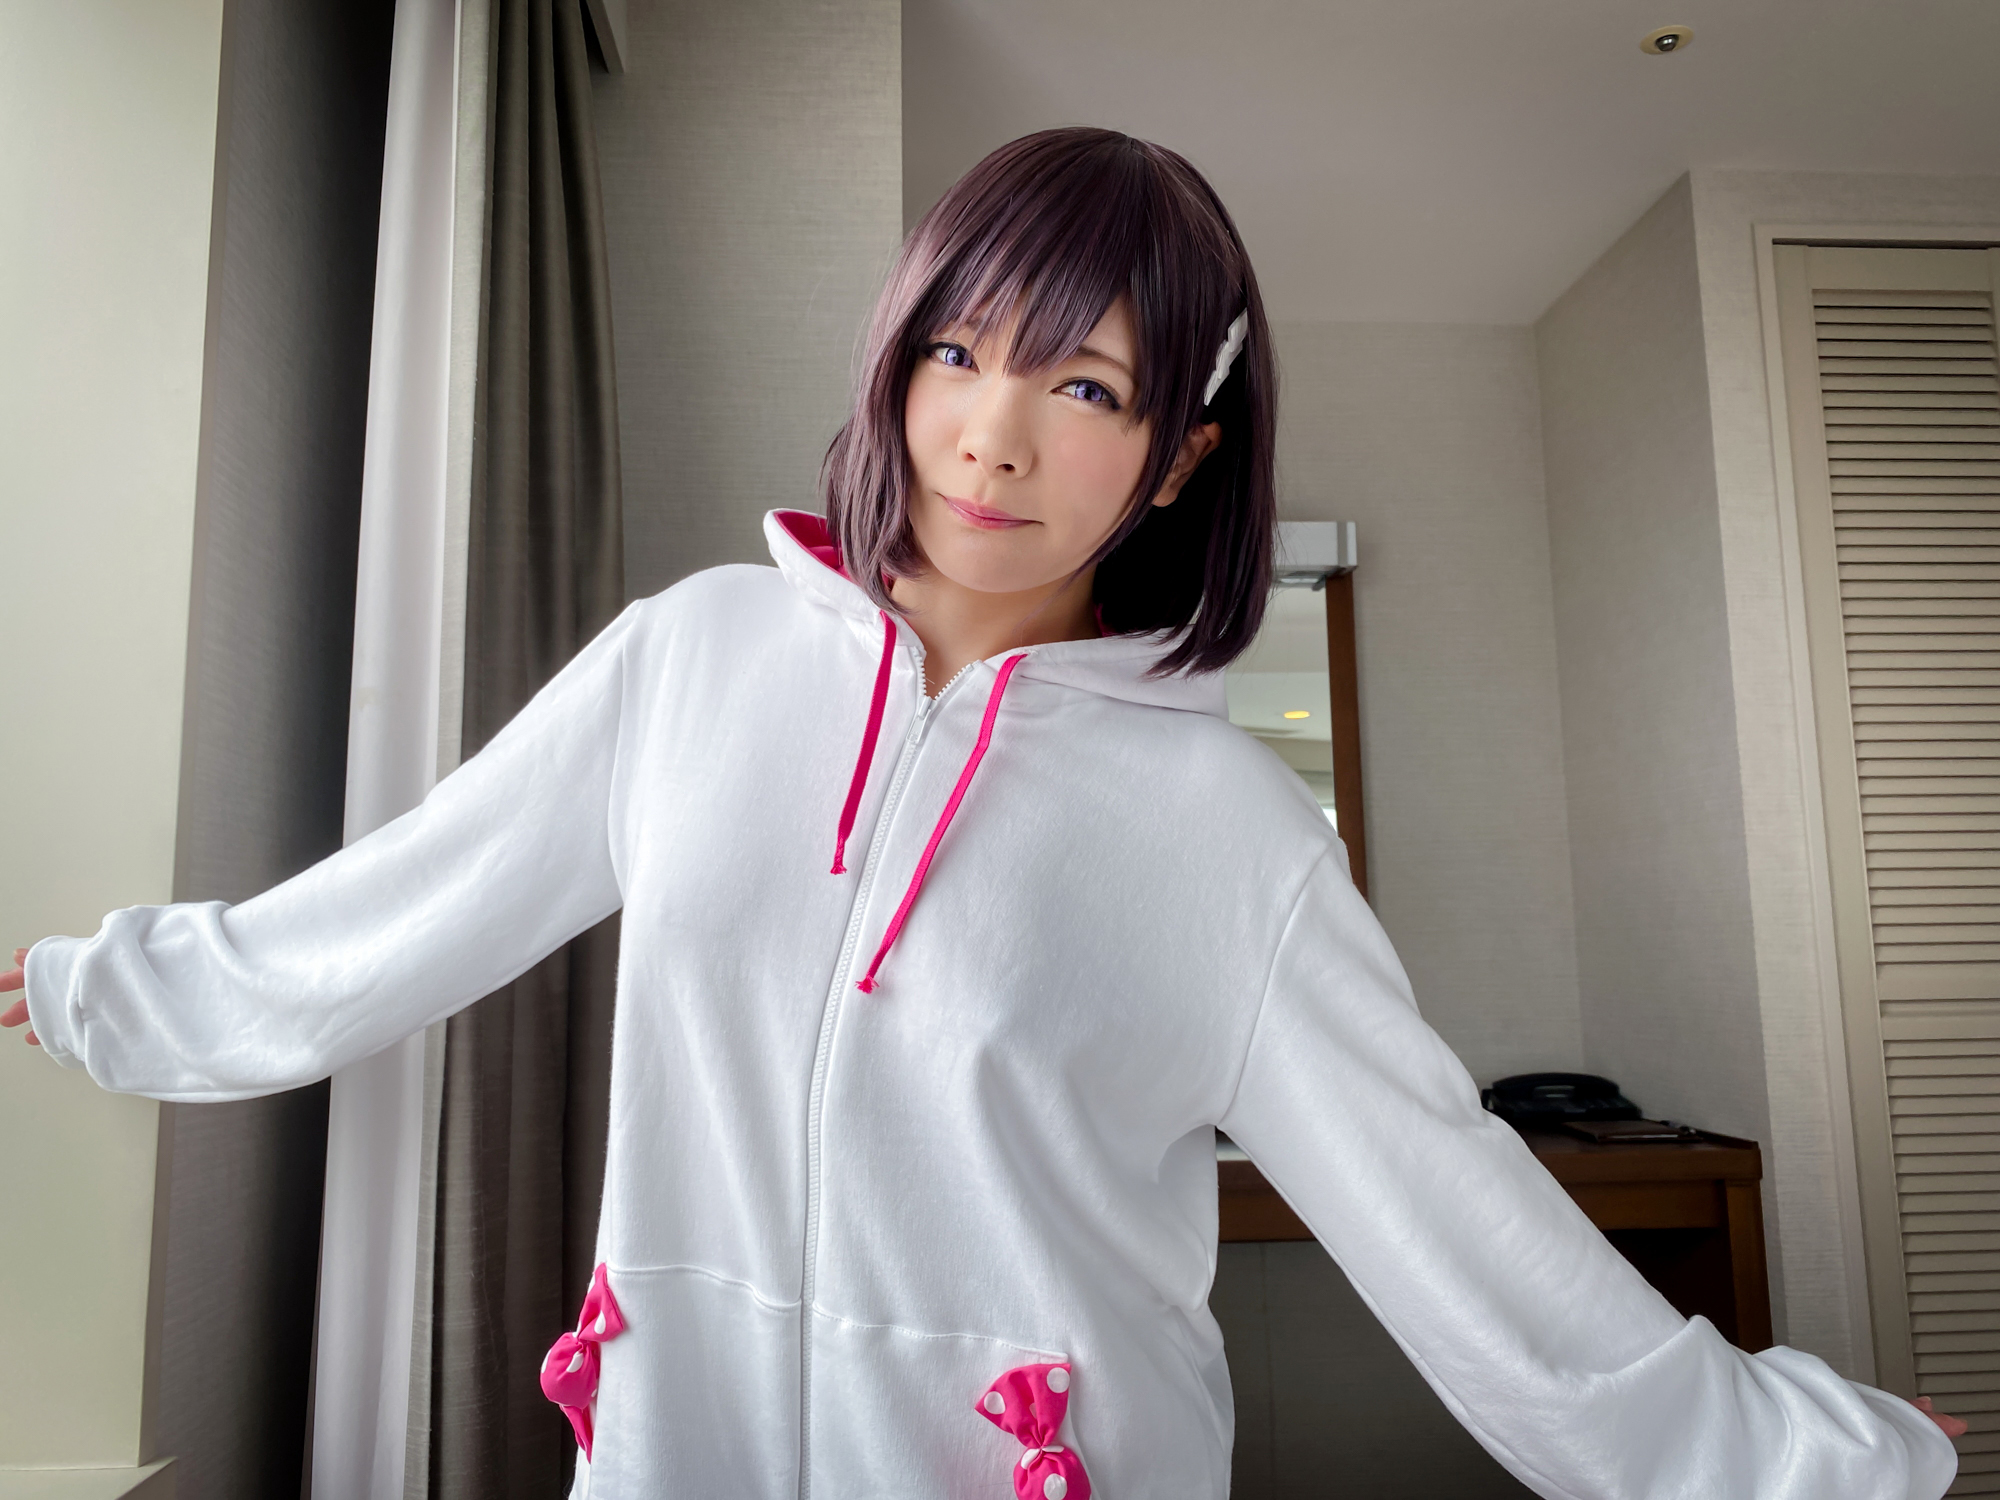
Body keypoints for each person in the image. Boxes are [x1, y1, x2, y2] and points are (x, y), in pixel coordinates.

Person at [2, 127, 1966, 1500]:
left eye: (1084, 387)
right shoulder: (691, 659)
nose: (992, 434)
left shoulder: (1228, 831)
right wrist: (116, 990)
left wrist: (1797, 1461)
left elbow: (1457, 1227)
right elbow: (401, 908)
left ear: (1179, 458)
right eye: (958, 350)